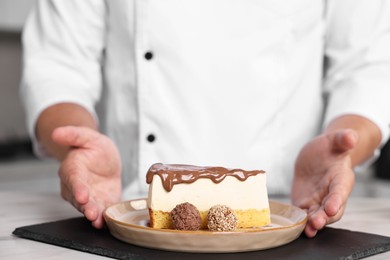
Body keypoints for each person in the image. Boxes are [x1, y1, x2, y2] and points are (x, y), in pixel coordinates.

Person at [20, 0, 390, 238]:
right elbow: (57, 64)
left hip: (286, 216)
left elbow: (369, 67)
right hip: (131, 212)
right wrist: (78, 142)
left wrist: (344, 147)